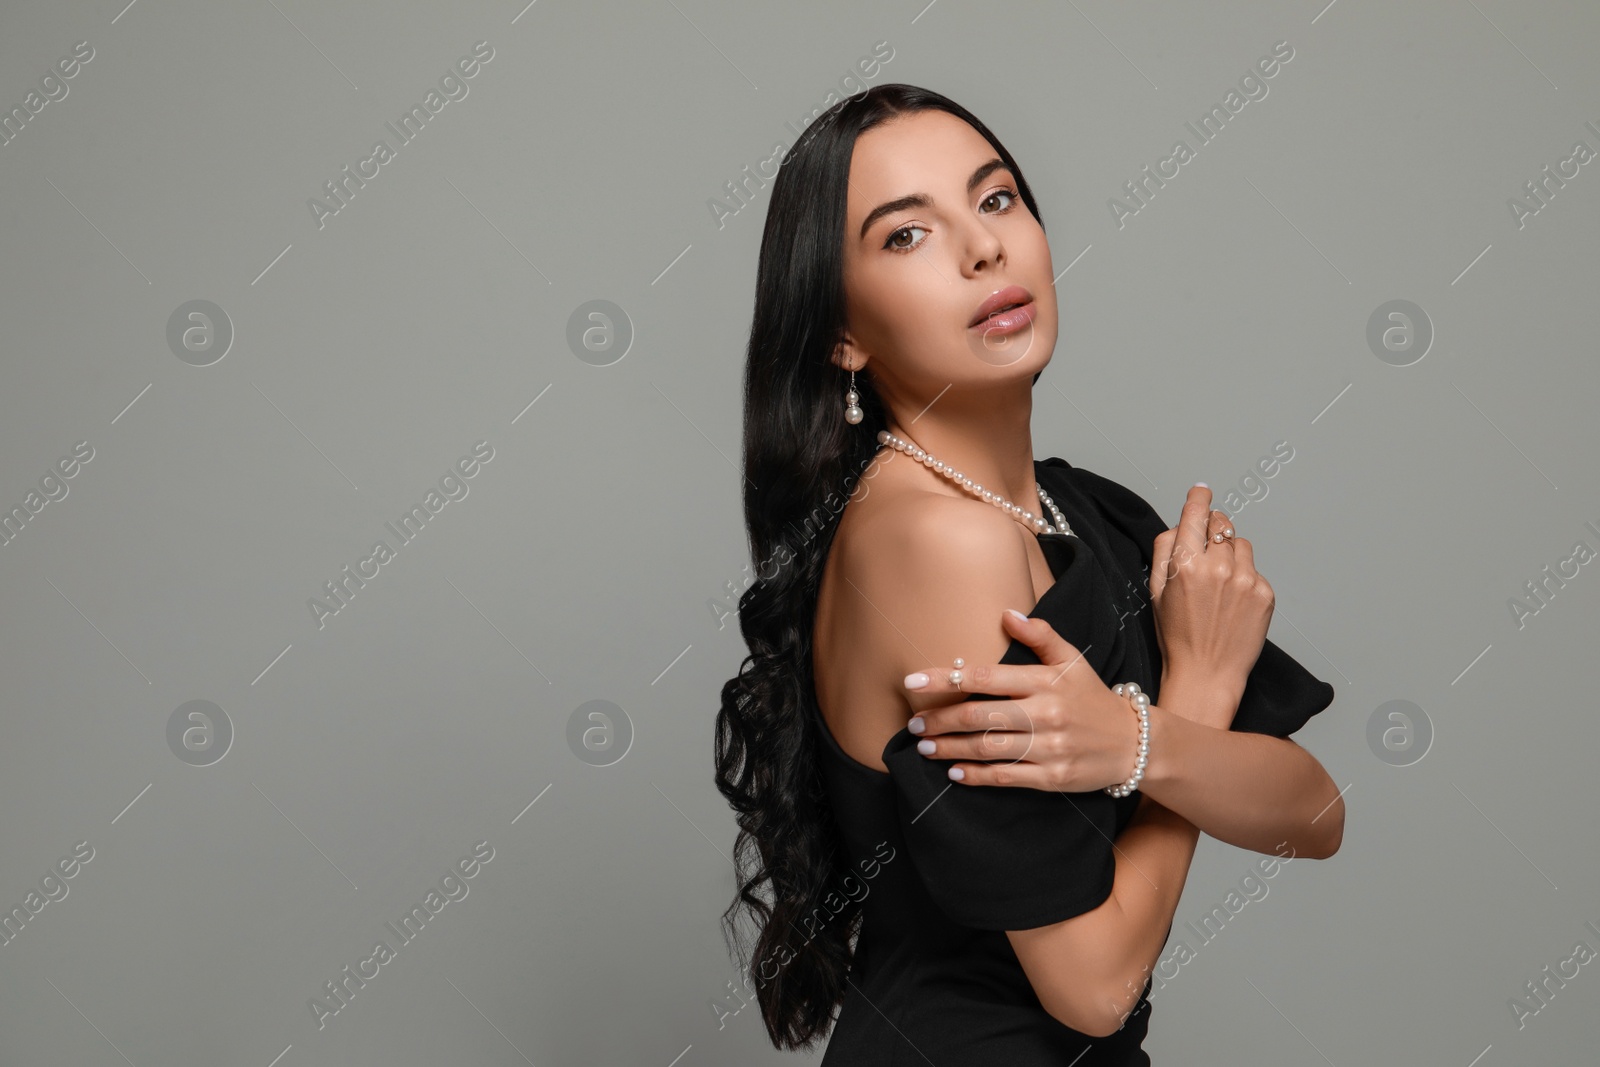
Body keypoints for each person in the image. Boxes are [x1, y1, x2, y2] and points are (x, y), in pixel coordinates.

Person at [712, 83, 1343, 1064]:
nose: (983, 248)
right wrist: (1195, 695)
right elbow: (1092, 985)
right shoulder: (931, 538)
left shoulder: (1072, 507)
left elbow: (1312, 812)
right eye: (906, 235)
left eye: (995, 198)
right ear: (841, 332)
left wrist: (1145, 739)